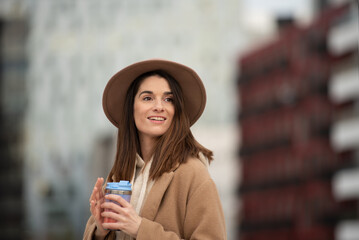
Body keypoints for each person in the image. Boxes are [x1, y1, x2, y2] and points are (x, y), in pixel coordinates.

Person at [83, 59, 226, 240]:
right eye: (148, 98)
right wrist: (101, 230)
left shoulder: (193, 174)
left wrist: (140, 228)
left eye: (168, 99)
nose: (159, 106)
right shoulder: (119, 176)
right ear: (131, 108)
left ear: (177, 110)